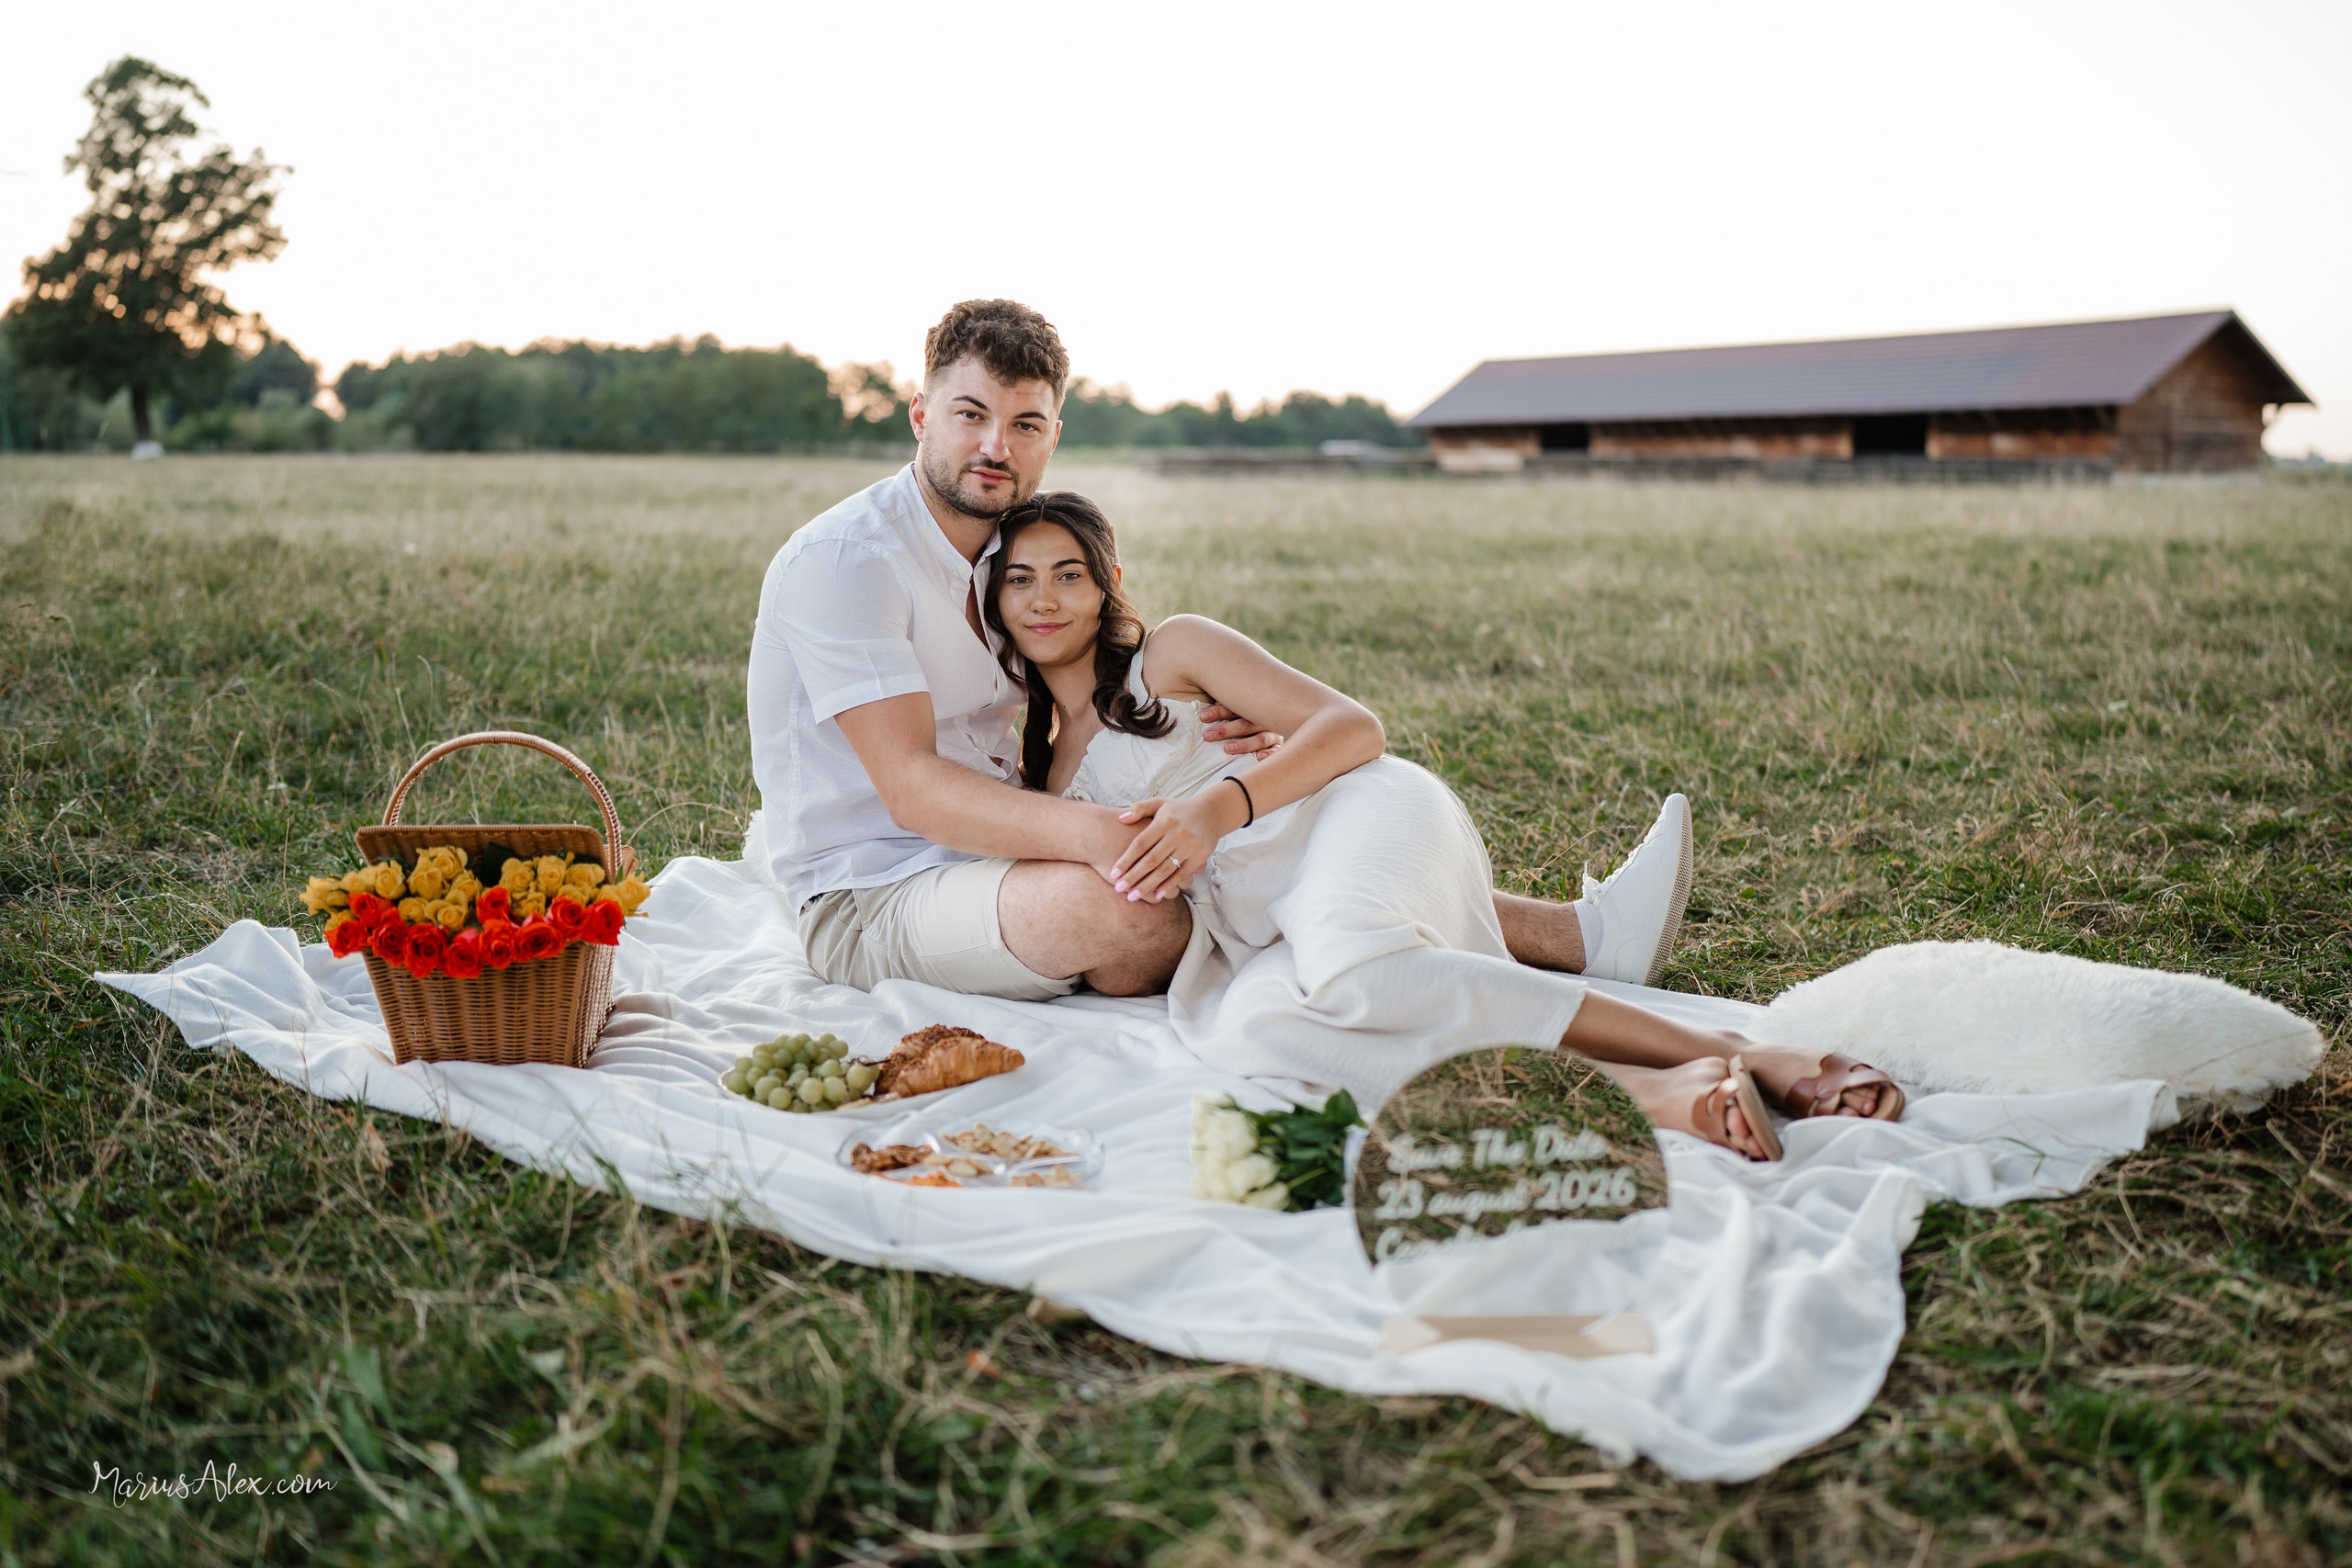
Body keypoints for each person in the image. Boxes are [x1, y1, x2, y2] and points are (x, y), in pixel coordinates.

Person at [745, 299, 1697, 1009]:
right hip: (871, 893)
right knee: (1139, 910)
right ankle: (1535, 949)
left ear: (1051, 438)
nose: (995, 445)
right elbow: (912, 790)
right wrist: (1111, 833)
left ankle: (1576, 938)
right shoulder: (847, 562)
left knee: (1213, 830)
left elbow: (1099, 653)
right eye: (969, 414)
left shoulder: (1007, 549)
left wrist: (1196, 713)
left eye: (1024, 424)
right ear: (920, 416)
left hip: (1013, 843)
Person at [982, 490, 1908, 1159]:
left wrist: (1216, 802)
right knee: (1262, 1037)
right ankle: (1644, 1094)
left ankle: (1747, 1054)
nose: (1045, 597)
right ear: (995, 603)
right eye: (1020, 579)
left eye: (1069, 573)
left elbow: (1353, 727)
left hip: (1351, 813)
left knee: (1359, 969)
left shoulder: (1173, 654)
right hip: (1257, 925)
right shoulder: (1039, 770)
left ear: (1108, 584)